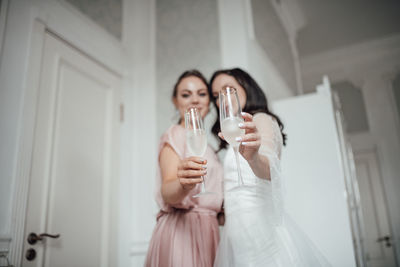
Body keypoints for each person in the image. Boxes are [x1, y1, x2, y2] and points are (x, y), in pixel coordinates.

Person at [209, 68, 330, 266]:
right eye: (216, 95)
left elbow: (268, 168)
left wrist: (254, 157)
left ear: (246, 87)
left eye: (228, 89)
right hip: (237, 236)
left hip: (261, 233)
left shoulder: (261, 119)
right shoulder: (235, 132)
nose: (222, 98)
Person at [145, 70, 224, 267]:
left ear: (209, 101)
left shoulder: (210, 147)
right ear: (175, 101)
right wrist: (184, 184)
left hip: (210, 232)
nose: (195, 100)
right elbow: (168, 192)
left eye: (202, 94)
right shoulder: (175, 134)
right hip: (182, 234)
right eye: (186, 94)